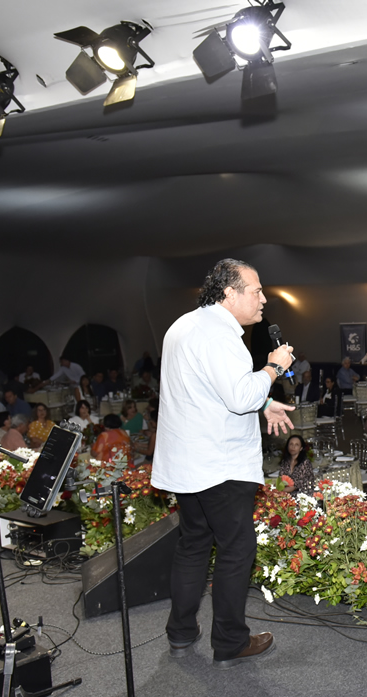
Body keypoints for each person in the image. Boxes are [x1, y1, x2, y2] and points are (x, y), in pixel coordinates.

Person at [152, 258, 296, 669]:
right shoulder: (220, 335)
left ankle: (181, 633)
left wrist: (264, 404)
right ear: (230, 293)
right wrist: (274, 367)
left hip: (188, 464)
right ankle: (230, 642)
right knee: (237, 549)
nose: (263, 299)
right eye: (256, 291)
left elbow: (205, 389)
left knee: (193, 545)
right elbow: (239, 396)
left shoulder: (184, 325)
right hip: (220, 464)